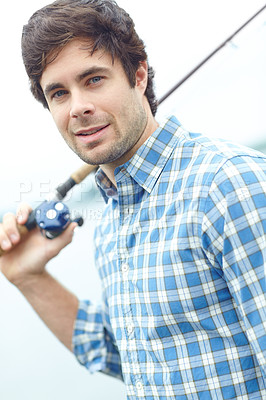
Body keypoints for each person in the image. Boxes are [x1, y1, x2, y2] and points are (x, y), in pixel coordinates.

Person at [0, 0, 265, 398]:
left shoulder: (229, 184)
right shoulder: (111, 221)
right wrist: (28, 277)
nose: (78, 108)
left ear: (138, 75)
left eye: (93, 80)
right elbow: (135, 360)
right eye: (58, 93)